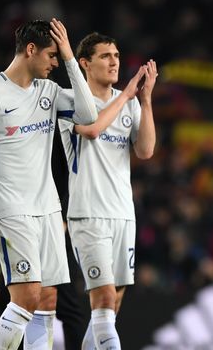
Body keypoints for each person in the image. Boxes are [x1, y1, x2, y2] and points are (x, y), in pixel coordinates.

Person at [0, 19, 98, 350]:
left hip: (48, 208)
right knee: (27, 296)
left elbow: (89, 114)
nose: (54, 63)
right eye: (51, 55)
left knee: (48, 299)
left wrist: (68, 57)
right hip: (10, 209)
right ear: (30, 50)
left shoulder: (48, 92)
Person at [58, 32, 157, 350]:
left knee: (110, 308)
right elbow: (94, 129)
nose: (114, 60)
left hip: (122, 214)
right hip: (88, 214)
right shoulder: (69, 98)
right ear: (84, 63)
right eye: (105, 56)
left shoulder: (127, 102)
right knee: (101, 300)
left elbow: (145, 150)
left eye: (116, 55)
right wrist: (128, 95)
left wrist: (145, 100)